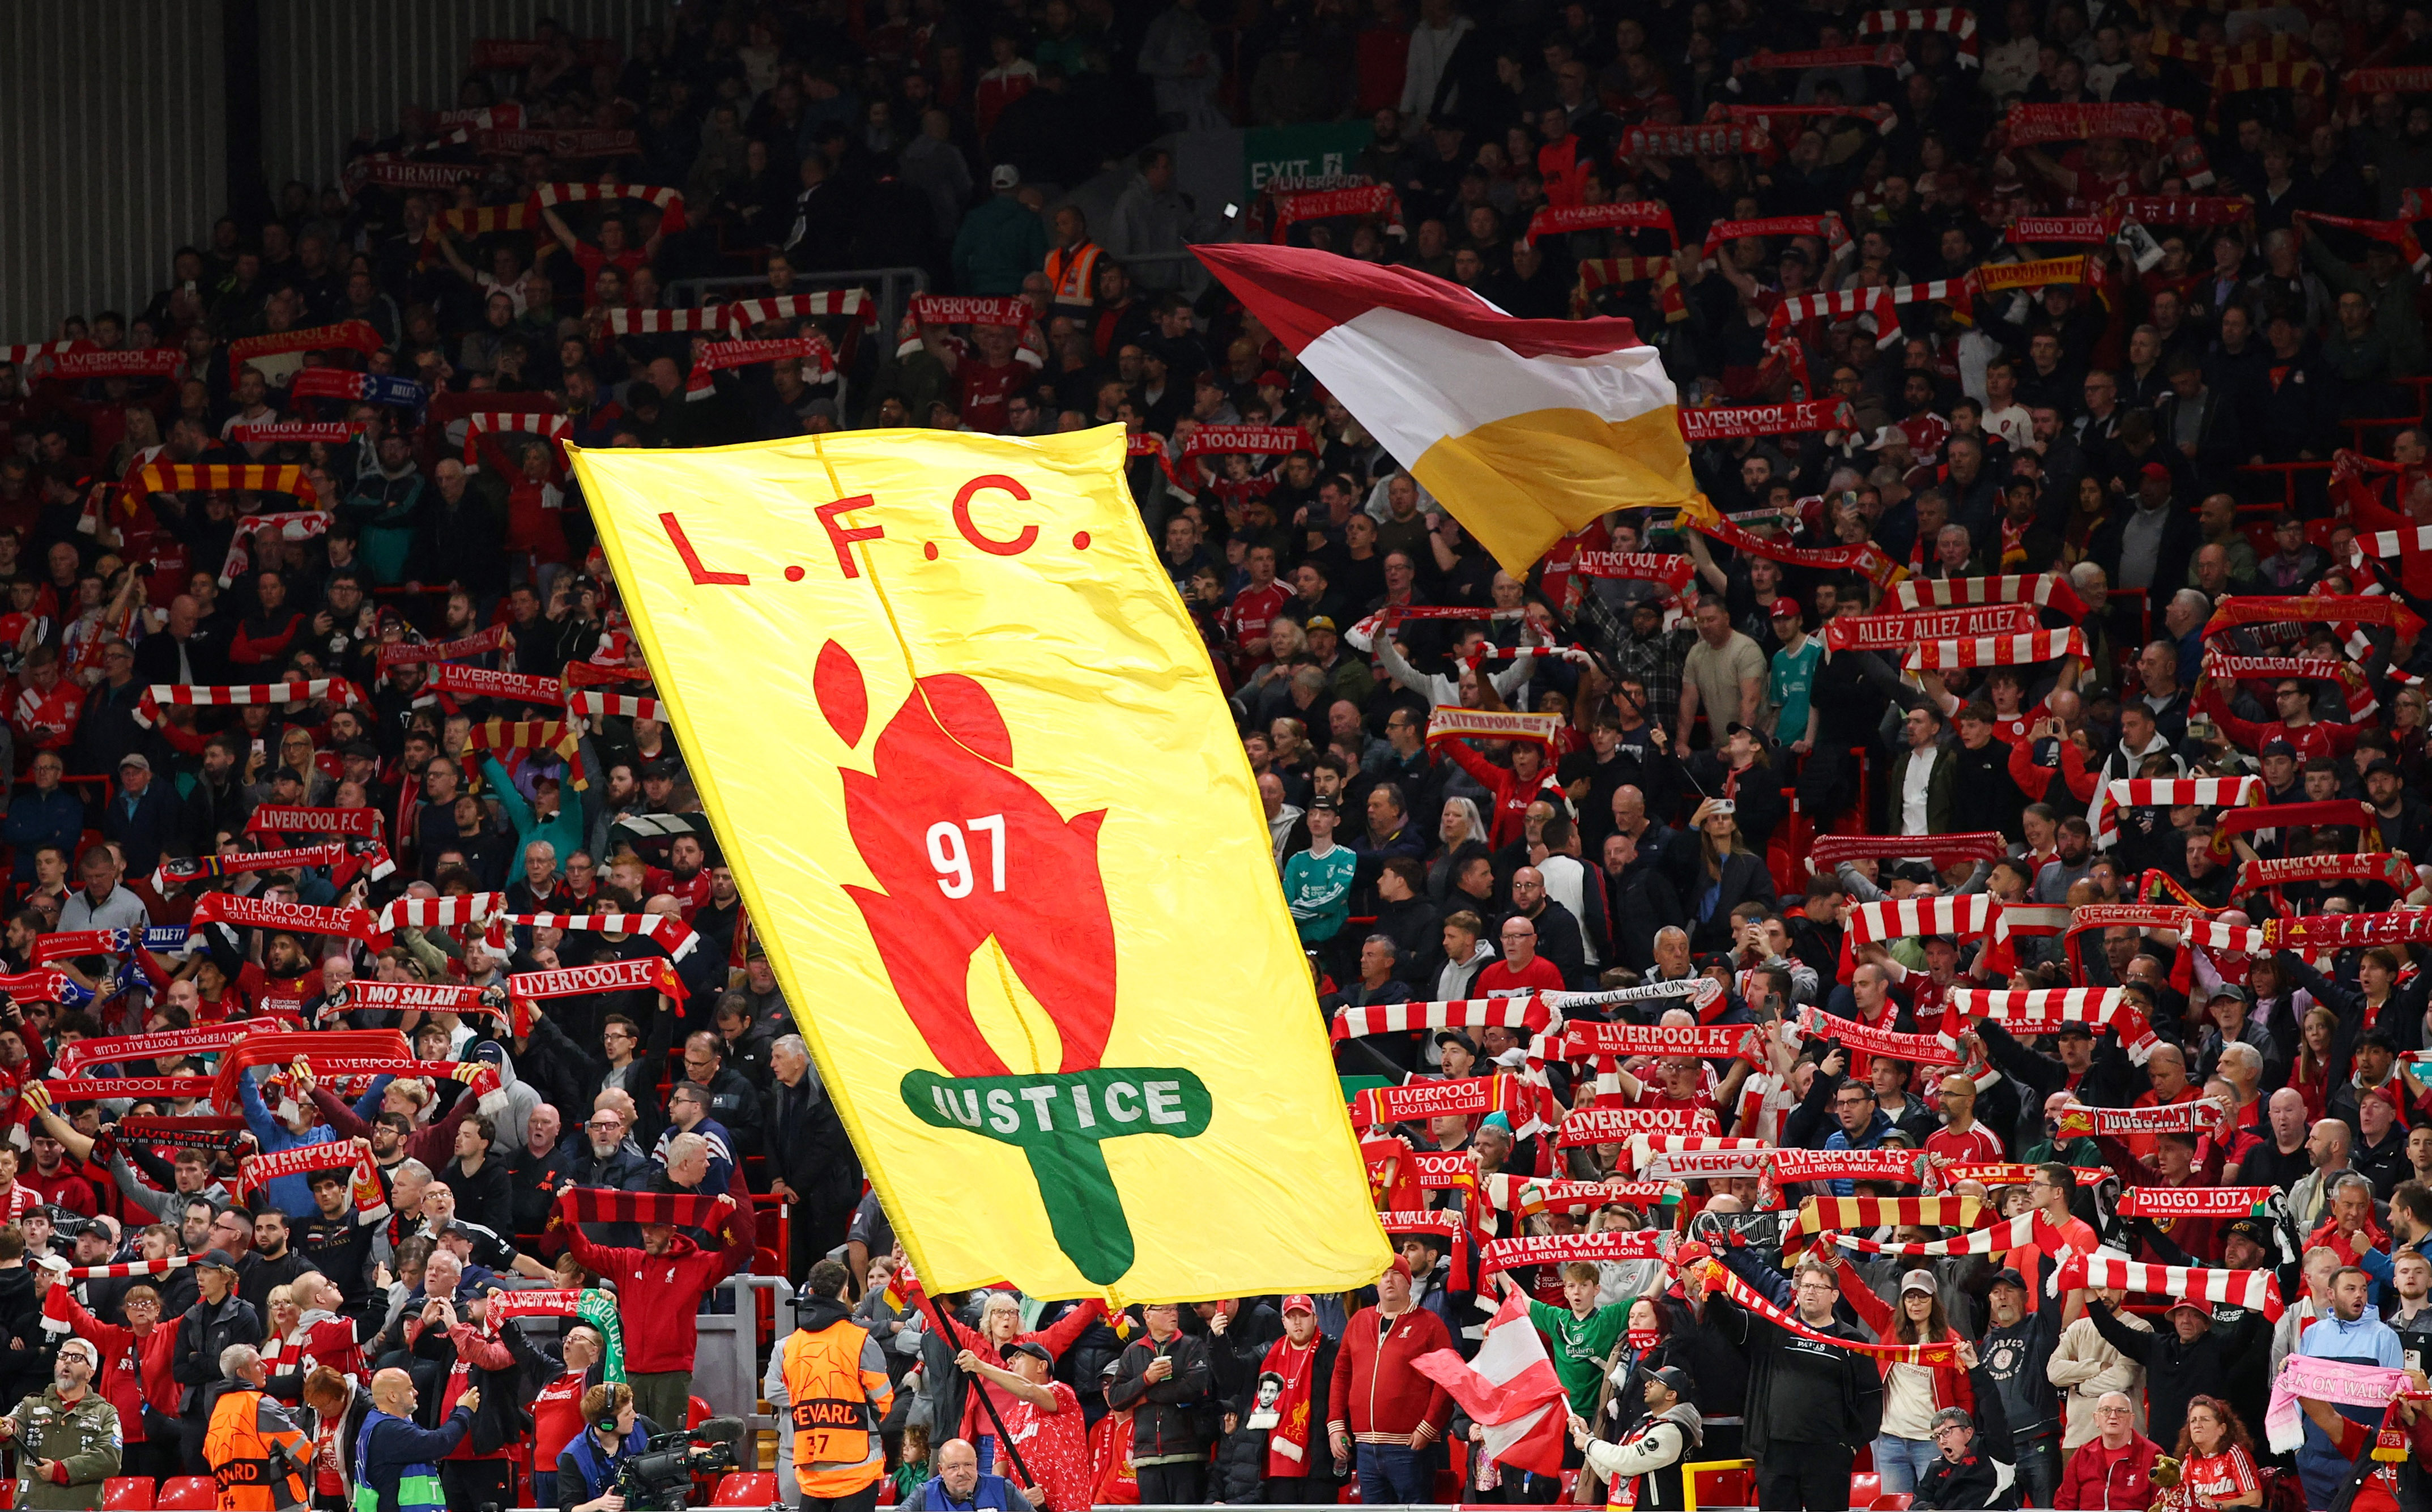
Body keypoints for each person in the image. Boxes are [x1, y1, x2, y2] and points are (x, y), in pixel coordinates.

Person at [559, 1187, 756, 1432]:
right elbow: (584, 1253)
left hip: (672, 1374)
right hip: (630, 1372)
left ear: (672, 1230)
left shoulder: (697, 1263)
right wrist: (571, 1219)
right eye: (643, 1228)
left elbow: (740, 1251)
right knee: (631, 1445)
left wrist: (731, 1218)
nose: (647, 1234)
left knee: (667, 1447)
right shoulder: (627, 1261)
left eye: (654, 1228)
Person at [1697, 1254, 1881, 1510]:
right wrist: (1713, 1285)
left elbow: (1872, 1396)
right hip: (1775, 1455)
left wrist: (1850, 1447)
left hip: (1827, 1456)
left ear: (1835, 1296)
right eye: (1806, 1285)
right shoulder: (1775, 1328)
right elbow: (1727, 1319)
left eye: (1819, 1287)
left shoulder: (1853, 1341)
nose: (1810, 1292)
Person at [1324, 1256, 1452, 1505]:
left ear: (1408, 1281)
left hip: (1410, 1447)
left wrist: (1429, 1426)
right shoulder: (1359, 1322)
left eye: (1395, 1274)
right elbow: (1341, 1374)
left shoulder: (1430, 1325)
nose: (1389, 1280)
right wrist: (1336, 1424)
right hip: (1365, 1448)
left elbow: (1446, 1379)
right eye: (1383, 1275)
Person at [773, 1259, 895, 1512]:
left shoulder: (790, 1346)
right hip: (857, 1468)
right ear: (845, 1291)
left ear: (812, 1292)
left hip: (811, 1465)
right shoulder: (861, 1341)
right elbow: (884, 1401)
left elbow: (791, 1395)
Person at [0, 1336, 119, 1512]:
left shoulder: (105, 1413)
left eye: (76, 1358)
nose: (67, 1362)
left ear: (91, 1371)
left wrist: (61, 1470)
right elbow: (12, 1427)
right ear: (56, 1365)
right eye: (62, 1356)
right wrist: (6, 1428)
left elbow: (111, 1459)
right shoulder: (31, 1404)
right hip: (32, 1506)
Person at [1571, 1363, 1701, 1510]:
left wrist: (1589, 1443)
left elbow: (1627, 1461)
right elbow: (1613, 1473)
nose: (1647, 1384)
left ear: (1671, 1395)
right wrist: (1586, 1437)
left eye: (1656, 1381)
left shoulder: (1672, 1431)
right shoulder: (1644, 1425)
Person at [202, 1344, 310, 1512]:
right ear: (242, 1373)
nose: (265, 1367)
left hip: (232, 1504)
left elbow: (210, 1454)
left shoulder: (218, 1409)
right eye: (258, 1364)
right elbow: (302, 1452)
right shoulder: (263, 1405)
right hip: (276, 1502)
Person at [352, 1367, 477, 1512]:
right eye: (409, 1389)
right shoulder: (390, 1431)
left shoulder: (376, 1423)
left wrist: (457, 1410)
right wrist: (464, 1412)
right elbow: (439, 1444)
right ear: (393, 1396)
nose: (416, 1392)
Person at [1910, 1407, 2009, 1510]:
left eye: (1947, 1432)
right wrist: (1928, 1509)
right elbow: (1918, 1502)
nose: (1942, 1441)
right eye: (1937, 1437)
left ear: (1968, 1433)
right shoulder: (1937, 1467)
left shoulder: (1991, 1454)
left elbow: (1996, 1418)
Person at [908, 1437, 1036, 1512]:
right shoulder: (925, 1493)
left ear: (976, 1464)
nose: (962, 1473)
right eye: (954, 1467)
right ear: (941, 1470)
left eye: (968, 1465)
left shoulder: (1003, 1488)